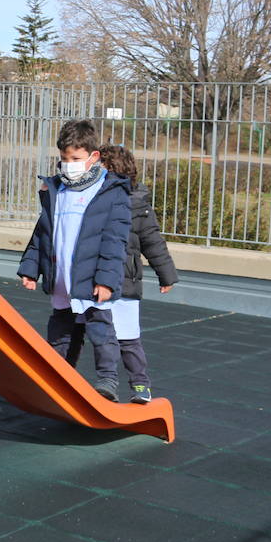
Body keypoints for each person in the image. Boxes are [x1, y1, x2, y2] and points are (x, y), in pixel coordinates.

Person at [17, 119, 131, 401]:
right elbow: (42, 232)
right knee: (60, 329)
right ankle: (57, 375)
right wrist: (31, 268)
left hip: (92, 277)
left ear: (94, 157)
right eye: (64, 158)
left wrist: (106, 280)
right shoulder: (57, 189)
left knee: (100, 328)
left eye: (75, 158)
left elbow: (114, 241)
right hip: (62, 276)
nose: (69, 164)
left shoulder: (110, 192)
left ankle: (107, 381)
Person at [93, 145, 179, 403]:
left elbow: (153, 242)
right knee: (99, 333)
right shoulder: (93, 203)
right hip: (97, 281)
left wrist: (167, 274)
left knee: (128, 337)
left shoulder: (138, 206)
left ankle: (140, 384)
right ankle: (106, 381)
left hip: (126, 281)